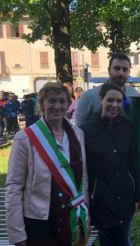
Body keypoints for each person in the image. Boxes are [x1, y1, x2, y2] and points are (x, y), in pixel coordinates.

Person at [5, 82, 90, 246]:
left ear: (68, 104)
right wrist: (17, 233)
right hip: (40, 222)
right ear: (42, 104)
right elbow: (14, 186)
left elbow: (83, 177)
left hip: (72, 217)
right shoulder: (25, 138)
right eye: (51, 101)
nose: (57, 106)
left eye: (61, 101)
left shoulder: (78, 134)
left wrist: (86, 216)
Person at [81, 83, 140, 246]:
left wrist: (138, 194)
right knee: (109, 238)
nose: (114, 105)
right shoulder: (86, 132)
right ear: (101, 99)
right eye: (110, 100)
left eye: (119, 101)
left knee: (123, 237)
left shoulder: (128, 128)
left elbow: (132, 162)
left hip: (124, 195)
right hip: (101, 197)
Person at [75, 54, 139, 127]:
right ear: (109, 70)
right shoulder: (88, 97)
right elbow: (79, 129)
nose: (121, 73)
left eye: (125, 69)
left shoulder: (134, 94)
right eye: (117, 68)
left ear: (129, 72)